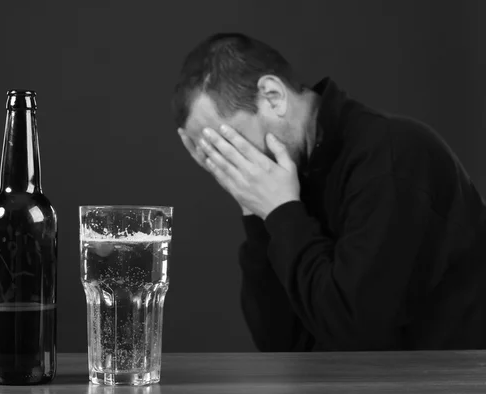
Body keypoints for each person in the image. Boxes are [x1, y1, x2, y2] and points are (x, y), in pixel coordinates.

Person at [170, 32, 486, 351]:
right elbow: (281, 346)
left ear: (272, 96)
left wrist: (282, 213)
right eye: (216, 155)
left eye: (230, 143)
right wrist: (255, 212)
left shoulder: (393, 156)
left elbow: (355, 333)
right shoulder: (290, 179)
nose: (232, 165)